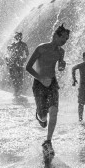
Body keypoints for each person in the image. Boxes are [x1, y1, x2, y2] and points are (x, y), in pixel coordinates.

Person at [25, 24, 70, 157]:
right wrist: (41, 78)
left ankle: (48, 142)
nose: (65, 41)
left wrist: (62, 65)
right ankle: (40, 116)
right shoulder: (41, 48)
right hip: (39, 83)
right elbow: (28, 67)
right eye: (63, 37)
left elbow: (60, 68)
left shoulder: (61, 52)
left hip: (52, 83)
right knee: (43, 117)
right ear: (56, 35)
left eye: (67, 39)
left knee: (54, 111)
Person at [7, 32, 29, 97]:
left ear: (21, 37)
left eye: (19, 36)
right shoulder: (11, 45)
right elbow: (7, 54)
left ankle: (19, 90)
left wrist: (24, 59)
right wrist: (7, 60)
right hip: (12, 63)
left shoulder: (24, 45)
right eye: (16, 36)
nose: (18, 38)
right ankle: (16, 90)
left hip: (20, 63)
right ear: (15, 37)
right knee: (13, 77)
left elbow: (27, 53)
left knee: (20, 76)